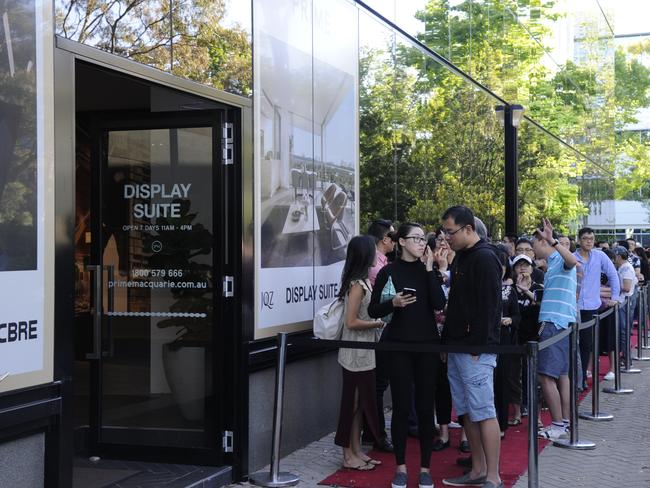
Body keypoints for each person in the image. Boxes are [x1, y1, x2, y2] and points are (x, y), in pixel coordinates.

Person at [369, 222, 446, 488]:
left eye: (424, 239)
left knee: (426, 409)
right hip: (398, 346)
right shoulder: (388, 272)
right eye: (415, 238)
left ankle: (425, 468)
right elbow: (373, 310)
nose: (422, 243)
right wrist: (394, 303)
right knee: (401, 408)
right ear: (401, 241)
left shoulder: (429, 271)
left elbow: (439, 303)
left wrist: (429, 270)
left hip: (427, 346)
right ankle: (400, 467)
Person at [439, 206, 503, 488]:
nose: (446, 238)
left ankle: (493, 475)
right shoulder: (462, 258)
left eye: (450, 232)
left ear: (468, 229)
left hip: (476, 350)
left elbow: (490, 306)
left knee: (483, 411)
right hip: (457, 347)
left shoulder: (486, 258)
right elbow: (457, 305)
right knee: (465, 412)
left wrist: (477, 345)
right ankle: (477, 470)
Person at [334, 235, 386, 471]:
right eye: (373, 249)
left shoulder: (363, 281)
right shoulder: (356, 285)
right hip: (355, 352)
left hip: (365, 352)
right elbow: (351, 322)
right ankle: (347, 454)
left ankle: (356, 450)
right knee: (351, 404)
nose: (377, 253)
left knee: (359, 405)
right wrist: (376, 323)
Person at [533, 218, 577, 441]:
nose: (532, 248)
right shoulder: (551, 267)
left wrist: (554, 241)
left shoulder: (559, 259)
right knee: (561, 375)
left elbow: (573, 261)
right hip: (560, 323)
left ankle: (559, 424)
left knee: (545, 376)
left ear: (542, 242)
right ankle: (565, 422)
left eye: (534, 243)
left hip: (554, 324)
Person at [363, 219, 395, 452]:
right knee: (377, 384)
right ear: (385, 239)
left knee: (378, 383)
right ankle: (376, 433)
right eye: (394, 237)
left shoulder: (382, 262)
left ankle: (372, 431)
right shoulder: (377, 267)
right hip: (373, 330)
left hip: (377, 330)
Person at [574, 227, 619, 387]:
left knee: (586, 345)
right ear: (579, 240)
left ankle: (582, 379)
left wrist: (614, 297)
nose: (589, 241)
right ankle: (575, 378)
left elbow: (613, 275)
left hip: (592, 307)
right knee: (573, 345)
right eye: (585, 238)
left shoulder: (599, 256)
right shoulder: (572, 257)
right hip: (574, 307)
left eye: (591, 239)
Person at [511, 254, 542, 423]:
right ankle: (517, 411)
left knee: (533, 377)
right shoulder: (509, 290)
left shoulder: (538, 288)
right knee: (515, 376)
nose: (522, 268)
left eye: (526, 265)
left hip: (535, 338)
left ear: (532, 268)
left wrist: (526, 291)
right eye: (518, 265)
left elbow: (542, 304)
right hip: (516, 338)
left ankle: (535, 415)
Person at [494, 249, 520, 437]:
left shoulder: (509, 290)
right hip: (483, 341)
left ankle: (501, 426)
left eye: (502, 266)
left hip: (503, 340)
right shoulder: (482, 287)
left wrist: (510, 320)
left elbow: (518, 316)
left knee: (502, 383)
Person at [610, 246, 638, 370]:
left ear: (619, 256)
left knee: (623, 331)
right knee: (623, 331)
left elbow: (626, 287)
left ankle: (626, 359)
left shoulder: (626, 268)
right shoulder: (623, 267)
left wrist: (613, 287)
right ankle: (625, 358)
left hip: (624, 302)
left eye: (614, 256)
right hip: (623, 301)